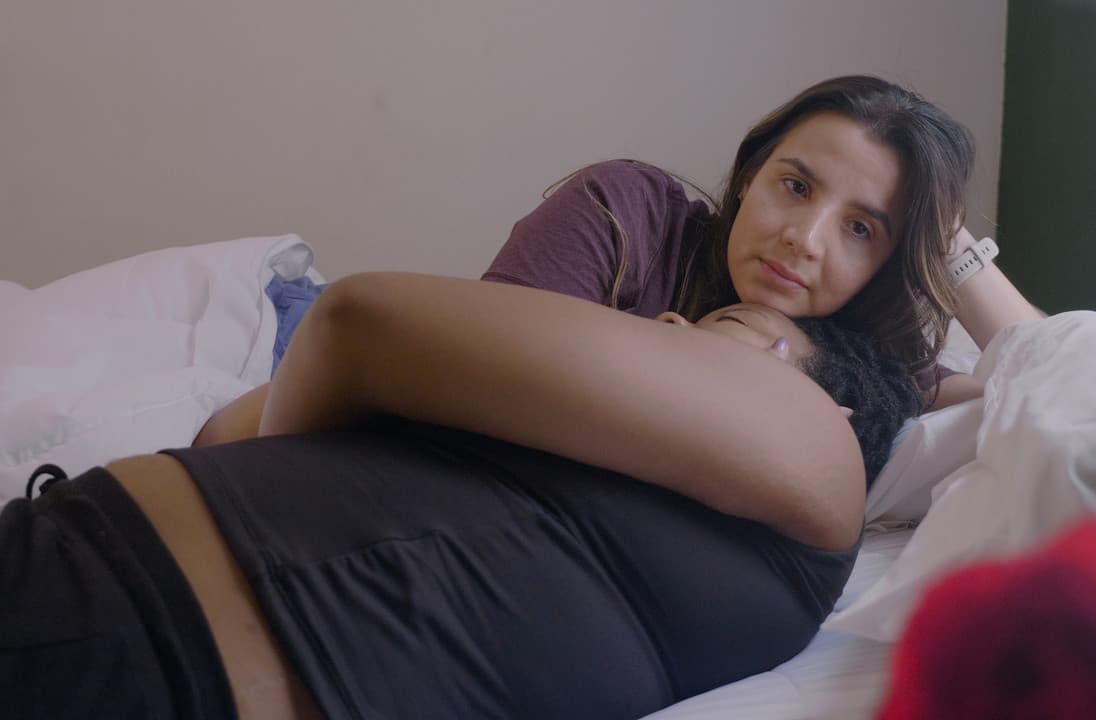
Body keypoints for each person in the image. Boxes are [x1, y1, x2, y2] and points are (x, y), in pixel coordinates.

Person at [3, 275, 921, 720]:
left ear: (830, 406)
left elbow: (355, 322)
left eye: (728, 322)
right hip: (84, 582)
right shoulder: (592, 481)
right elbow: (223, 433)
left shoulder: (820, 447)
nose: (669, 322)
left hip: (131, 632)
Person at [195, 74, 1041, 446]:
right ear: (750, 176)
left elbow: (1058, 380)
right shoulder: (627, 212)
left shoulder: (861, 364)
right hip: (351, 362)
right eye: (794, 185)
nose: (804, 238)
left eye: (861, 229)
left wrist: (951, 246)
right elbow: (463, 381)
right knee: (260, 377)